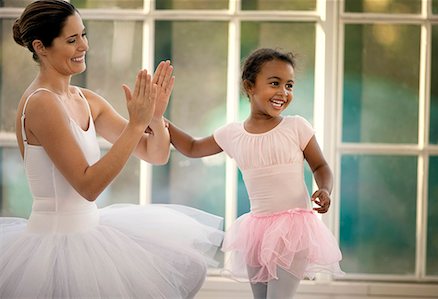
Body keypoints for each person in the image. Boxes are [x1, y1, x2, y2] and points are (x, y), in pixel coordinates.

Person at [0, 1, 223, 298]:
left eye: (83, 34)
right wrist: (135, 125)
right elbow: (88, 186)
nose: (84, 46)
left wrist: (154, 118)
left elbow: (155, 154)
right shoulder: (41, 103)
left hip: (91, 231)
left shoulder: (86, 99)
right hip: (54, 245)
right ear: (41, 47)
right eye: (72, 39)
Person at [168, 48, 344, 299]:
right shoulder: (233, 134)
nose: (283, 92)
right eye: (275, 83)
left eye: (289, 85)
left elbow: (321, 166)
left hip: (294, 229)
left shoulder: (296, 127)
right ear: (249, 86)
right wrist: (162, 123)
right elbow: (193, 147)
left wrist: (325, 189)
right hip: (257, 232)